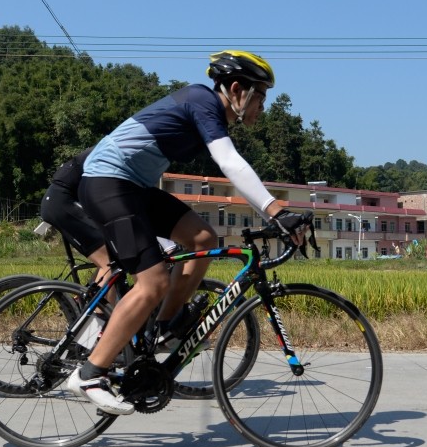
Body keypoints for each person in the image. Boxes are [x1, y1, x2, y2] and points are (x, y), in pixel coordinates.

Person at [66, 51, 309, 415]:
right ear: (237, 89)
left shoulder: (209, 113)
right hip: (108, 184)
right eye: (260, 97)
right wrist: (276, 210)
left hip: (133, 188)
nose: (263, 106)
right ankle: (89, 373)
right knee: (152, 282)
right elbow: (230, 163)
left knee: (202, 239)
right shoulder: (202, 101)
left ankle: (164, 327)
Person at [39, 148, 112, 285]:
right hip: (62, 202)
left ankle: (85, 300)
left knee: (114, 254)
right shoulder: (115, 152)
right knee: (109, 262)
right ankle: (99, 307)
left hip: (61, 199)